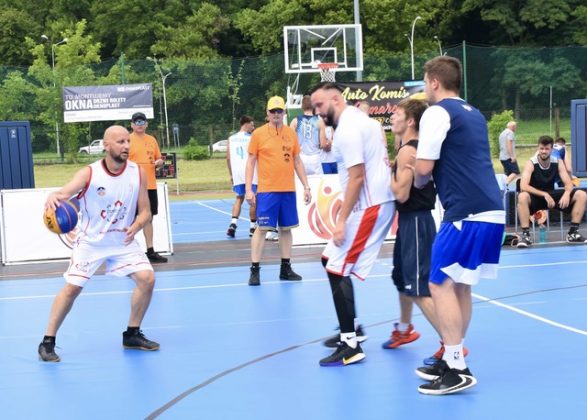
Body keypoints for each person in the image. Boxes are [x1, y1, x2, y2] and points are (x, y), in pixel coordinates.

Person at [413, 56, 505, 395]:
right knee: (461, 285)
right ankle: (452, 355)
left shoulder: (437, 112)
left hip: (465, 212)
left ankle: (457, 366)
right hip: (490, 209)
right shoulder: (473, 112)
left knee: (438, 284)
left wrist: (417, 179)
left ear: (435, 82)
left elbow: (424, 169)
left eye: (425, 82)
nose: (425, 88)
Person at [38, 125, 159, 362]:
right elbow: (62, 194)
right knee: (72, 288)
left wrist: (137, 225)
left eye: (128, 142)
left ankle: (132, 333)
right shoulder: (89, 173)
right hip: (91, 242)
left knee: (147, 279)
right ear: (106, 145)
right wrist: (53, 196)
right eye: (121, 142)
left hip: (122, 240)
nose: (126, 146)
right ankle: (47, 342)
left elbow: (145, 211)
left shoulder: (138, 172)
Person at [310, 82, 395, 367]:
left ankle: (351, 344)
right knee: (329, 261)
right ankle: (353, 327)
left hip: (369, 205)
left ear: (336, 99)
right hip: (373, 202)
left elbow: (357, 177)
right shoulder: (360, 121)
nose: (317, 112)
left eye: (320, 105)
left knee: (337, 267)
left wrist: (341, 220)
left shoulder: (347, 129)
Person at [383, 98, 442, 351]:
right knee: (402, 279)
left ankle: (451, 344)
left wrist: (387, 175)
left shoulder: (409, 150)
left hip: (416, 221)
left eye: (396, 113)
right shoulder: (407, 148)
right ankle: (405, 329)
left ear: (410, 121)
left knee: (417, 288)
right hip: (410, 222)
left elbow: (401, 194)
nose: (392, 117)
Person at [245, 96, 312, 286]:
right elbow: (250, 162)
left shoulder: (291, 133)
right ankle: (255, 269)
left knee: (286, 229)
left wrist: (306, 186)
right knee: (262, 229)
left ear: (284, 112)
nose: (276, 114)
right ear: (267, 113)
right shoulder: (258, 134)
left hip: (288, 189)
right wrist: (249, 189)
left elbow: (297, 161)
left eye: (279, 111)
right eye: (273, 111)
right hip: (267, 190)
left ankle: (285, 268)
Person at [516, 135, 587, 247]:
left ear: (551, 149)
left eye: (546, 149)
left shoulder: (558, 162)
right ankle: (526, 236)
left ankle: (573, 233)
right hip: (535, 197)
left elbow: (568, 183)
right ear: (538, 148)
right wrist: (544, 194)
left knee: (581, 195)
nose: (543, 151)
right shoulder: (531, 163)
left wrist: (567, 193)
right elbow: (523, 186)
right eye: (541, 148)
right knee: (522, 196)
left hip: (551, 197)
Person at [129, 112, 167, 263]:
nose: (139, 125)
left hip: (150, 185)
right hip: (132, 186)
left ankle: (150, 250)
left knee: (149, 218)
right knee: (130, 218)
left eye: (142, 122)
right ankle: (127, 250)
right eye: (136, 122)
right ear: (132, 124)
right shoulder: (127, 139)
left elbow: (159, 158)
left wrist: (159, 162)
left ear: (146, 124)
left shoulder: (151, 140)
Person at [226, 116, 257, 238]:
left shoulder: (231, 139)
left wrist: (231, 174)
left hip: (237, 172)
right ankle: (252, 228)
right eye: (252, 125)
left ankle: (233, 224)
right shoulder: (252, 138)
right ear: (246, 124)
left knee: (239, 198)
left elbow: (228, 158)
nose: (253, 128)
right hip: (251, 172)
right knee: (253, 200)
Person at [290, 95, 325, 175]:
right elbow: (323, 144)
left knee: (300, 184)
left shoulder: (295, 121)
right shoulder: (320, 121)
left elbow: (291, 143)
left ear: (302, 107)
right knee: (318, 185)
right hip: (315, 157)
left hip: (301, 157)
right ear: (313, 106)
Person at [499, 121, 520, 186]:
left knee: (507, 173)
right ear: (513, 127)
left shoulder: (502, 133)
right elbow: (509, 144)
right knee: (515, 172)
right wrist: (512, 156)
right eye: (516, 127)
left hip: (502, 157)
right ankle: (505, 185)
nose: (516, 128)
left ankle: (504, 186)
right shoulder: (510, 133)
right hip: (508, 157)